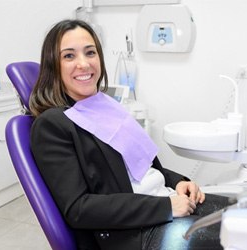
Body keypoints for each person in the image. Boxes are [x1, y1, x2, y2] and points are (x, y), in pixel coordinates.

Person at [29, 19, 231, 250]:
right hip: (136, 233)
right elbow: (79, 208)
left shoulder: (106, 106)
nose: (83, 64)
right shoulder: (53, 125)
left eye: (90, 52)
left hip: (164, 201)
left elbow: (144, 168)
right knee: (243, 236)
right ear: (53, 65)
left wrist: (179, 183)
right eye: (69, 56)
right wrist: (166, 207)